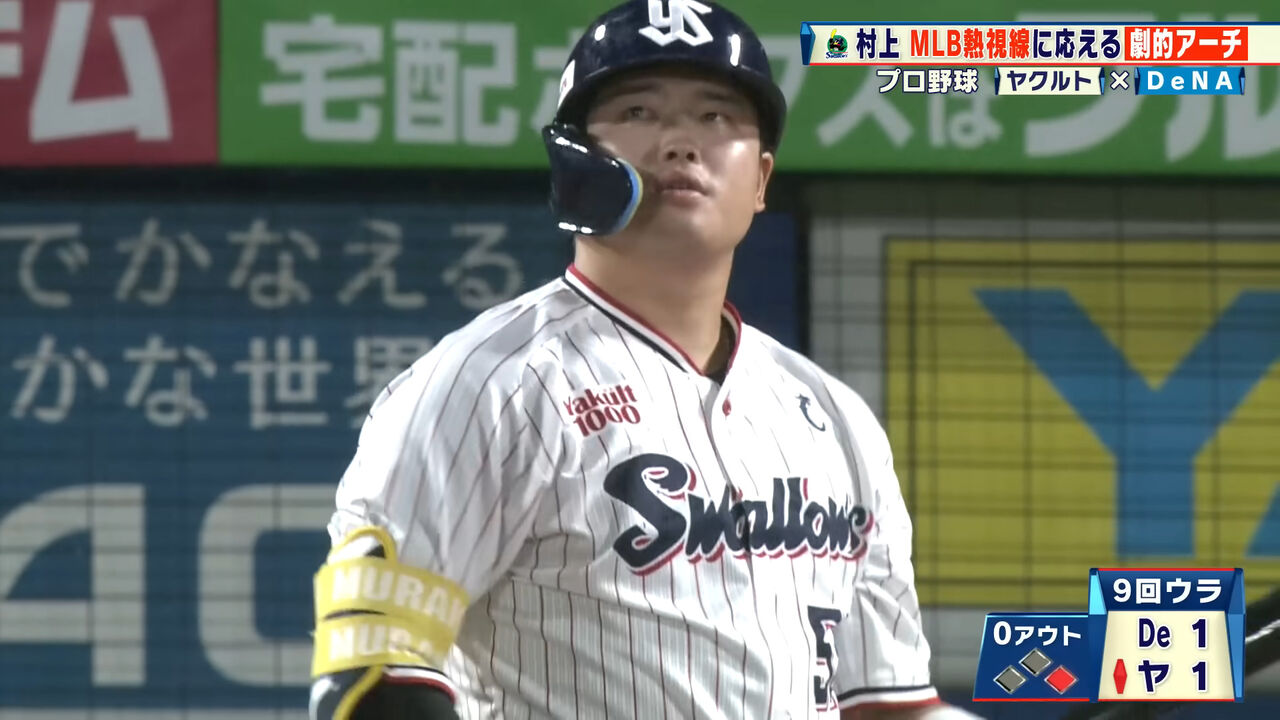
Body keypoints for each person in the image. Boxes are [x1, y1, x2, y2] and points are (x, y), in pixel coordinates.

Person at [309, 2, 983, 718]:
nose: (681, 141)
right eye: (638, 111)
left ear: (760, 180)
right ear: (573, 160)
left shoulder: (836, 420)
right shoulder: (486, 386)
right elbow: (371, 676)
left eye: (716, 116)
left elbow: (887, 705)